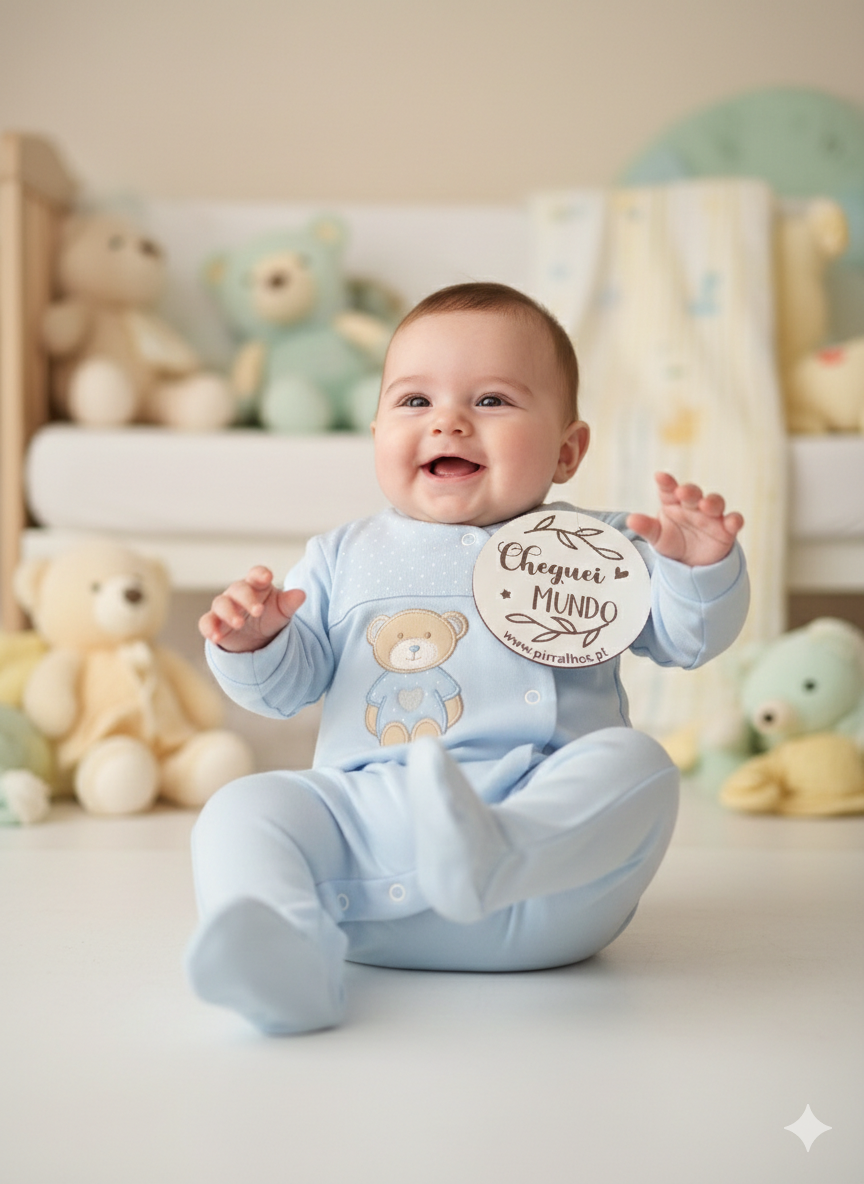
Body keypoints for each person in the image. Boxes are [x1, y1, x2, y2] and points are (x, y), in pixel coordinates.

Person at [186, 282, 748, 1035]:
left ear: (567, 450)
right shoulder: (343, 556)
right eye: (414, 402)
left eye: (492, 401)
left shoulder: (602, 550)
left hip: (547, 870)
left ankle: (497, 852)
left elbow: (688, 638)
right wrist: (253, 642)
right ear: (378, 429)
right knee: (243, 810)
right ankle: (285, 951)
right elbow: (285, 690)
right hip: (374, 832)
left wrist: (698, 570)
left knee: (637, 765)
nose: (448, 419)